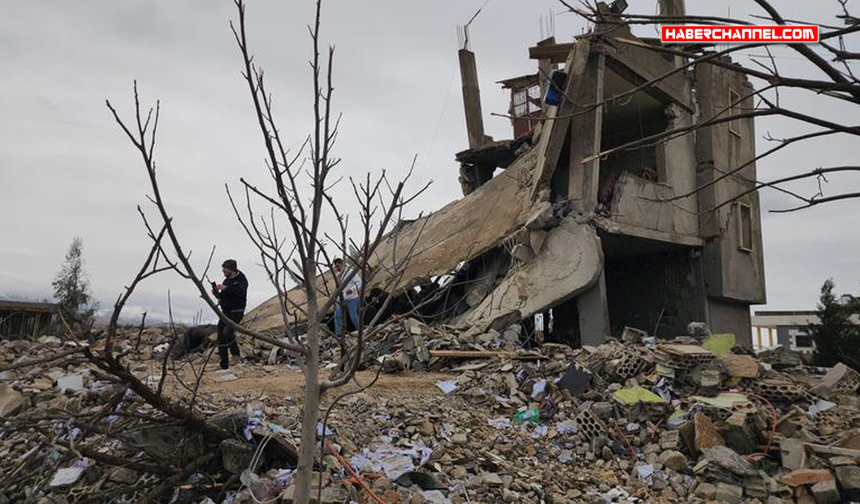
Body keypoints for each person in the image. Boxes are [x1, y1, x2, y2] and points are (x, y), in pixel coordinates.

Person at [212, 259, 248, 369]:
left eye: (225, 268)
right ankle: (224, 364)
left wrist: (226, 288)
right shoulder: (226, 281)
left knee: (227, 332)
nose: (223, 271)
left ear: (231, 269)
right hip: (225, 312)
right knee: (220, 336)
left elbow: (240, 291)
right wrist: (217, 294)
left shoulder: (241, 279)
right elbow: (224, 296)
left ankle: (236, 354)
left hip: (236, 312)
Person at [332, 258, 361, 336]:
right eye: (336, 267)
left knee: (354, 316)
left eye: (338, 266)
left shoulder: (350, 272)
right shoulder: (337, 275)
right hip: (341, 299)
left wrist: (352, 289)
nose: (337, 268)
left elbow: (359, 282)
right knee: (337, 315)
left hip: (352, 298)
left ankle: (360, 331)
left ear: (342, 264)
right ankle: (339, 334)